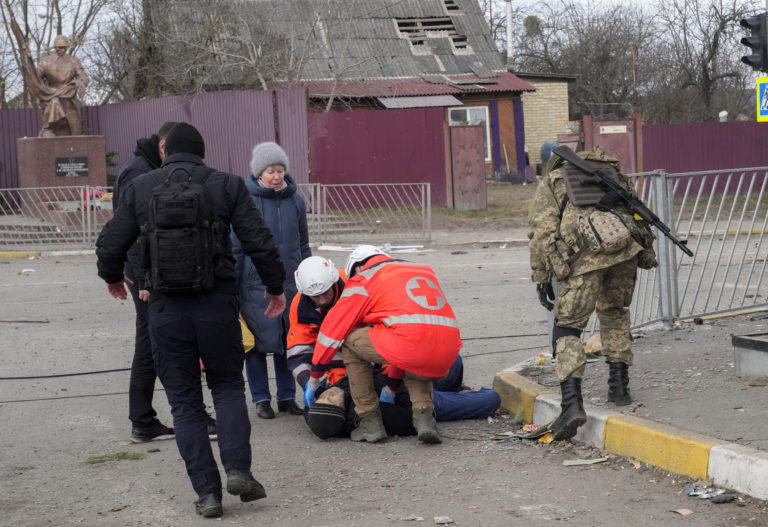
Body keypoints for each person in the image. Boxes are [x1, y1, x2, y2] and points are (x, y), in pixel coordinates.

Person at [96, 122, 287, 518]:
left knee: (184, 403)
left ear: (165, 150)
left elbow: (111, 241)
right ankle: (238, 470)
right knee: (228, 387)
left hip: (165, 309)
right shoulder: (227, 184)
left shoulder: (142, 186)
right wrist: (274, 288)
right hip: (217, 305)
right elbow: (259, 241)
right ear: (202, 152)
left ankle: (208, 494)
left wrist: (113, 276)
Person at [528, 145, 657, 442]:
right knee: (615, 313)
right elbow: (638, 216)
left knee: (567, 328)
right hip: (624, 253)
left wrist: (541, 277)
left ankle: (572, 404)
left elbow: (542, 232)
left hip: (583, 259)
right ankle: (619, 387)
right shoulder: (614, 175)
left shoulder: (557, 179)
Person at [113, 121, 213, 443]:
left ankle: (144, 419)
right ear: (163, 146)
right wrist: (140, 277)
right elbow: (126, 229)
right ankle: (183, 416)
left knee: (152, 343)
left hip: (150, 273)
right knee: (160, 345)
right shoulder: (138, 173)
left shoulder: (146, 168)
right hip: (146, 276)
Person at [308, 246, 463, 444]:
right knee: (413, 348)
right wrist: (391, 386)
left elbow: (332, 330)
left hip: (413, 346)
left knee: (348, 340)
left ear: (357, 268)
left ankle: (369, 421)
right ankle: (425, 419)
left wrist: (314, 378)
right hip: (448, 352)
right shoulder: (422, 270)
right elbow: (406, 344)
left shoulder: (365, 277)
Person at [233, 142, 310, 419]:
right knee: (255, 344)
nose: (276, 176)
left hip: (290, 284)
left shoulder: (296, 200)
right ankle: (261, 398)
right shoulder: (246, 201)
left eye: (280, 170)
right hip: (255, 286)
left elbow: (303, 243)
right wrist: (234, 286)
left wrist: (307, 276)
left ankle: (287, 397)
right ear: (258, 174)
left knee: (287, 341)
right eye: (270, 171)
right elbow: (237, 246)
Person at [305, 375, 500, 440]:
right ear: (341, 411)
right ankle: (454, 395)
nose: (328, 393)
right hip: (420, 399)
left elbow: (312, 414)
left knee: (454, 362)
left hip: (400, 378)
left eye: (322, 396)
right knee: (491, 399)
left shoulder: (336, 401)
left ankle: (453, 387)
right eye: (330, 400)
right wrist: (393, 390)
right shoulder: (373, 412)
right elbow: (410, 420)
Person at [35, 35, 88, 136]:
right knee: (54, 102)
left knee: (76, 128)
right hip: (51, 94)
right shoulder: (46, 61)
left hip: (69, 92)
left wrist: (80, 82)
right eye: (58, 47)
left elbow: (82, 75)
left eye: (63, 47)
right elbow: (37, 77)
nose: (60, 50)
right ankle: (47, 128)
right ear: (54, 48)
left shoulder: (73, 61)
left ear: (66, 48)